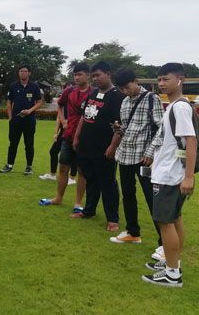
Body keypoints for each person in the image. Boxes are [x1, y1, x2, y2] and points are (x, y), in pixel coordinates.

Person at [142, 63, 197, 288]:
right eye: (160, 80)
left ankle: (172, 274)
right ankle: (172, 263)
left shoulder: (180, 108)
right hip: (168, 171)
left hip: (171, 175)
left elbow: (191, 141)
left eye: (166, 79)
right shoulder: (174, 105)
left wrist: (189, 176)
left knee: (165, 221)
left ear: (180, 80)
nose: (162, 83)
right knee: (174, 218)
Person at [111, 68, 164, 249]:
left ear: (135, 81)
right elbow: (126, 129)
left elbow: (161, 129)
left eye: (127, 87)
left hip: (143, 157)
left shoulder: (151, 98)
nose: (125, 91)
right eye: (121, 89)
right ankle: (133, 232)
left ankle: (164, 242)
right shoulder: (125, 102)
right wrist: (118, 129)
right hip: (125, 156)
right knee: (127, 196)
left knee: (152, 198)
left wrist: (151, 152)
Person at [71, 61, 124, 231]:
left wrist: (113, 147)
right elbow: (84, 116)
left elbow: (120, 125)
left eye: (98, 75)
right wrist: (77, 136)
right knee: (91, 180)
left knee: (107, 183)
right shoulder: (93, 93)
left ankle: (113, 220)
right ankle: (89, 211)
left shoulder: (117, 96)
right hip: (87, 146)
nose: (95, 79)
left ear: (108, 74)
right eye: (93, 76)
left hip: (104, 148)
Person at [39, 63, 93, 213]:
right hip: (68, 136)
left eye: (80, 74)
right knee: (63, 167)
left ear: (87, 76)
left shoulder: (93, 93)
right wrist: (62, 120)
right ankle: (58, 198)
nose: (76, 77)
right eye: (75, 75)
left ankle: (77, 203)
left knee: (82, 171)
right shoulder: (69, 91)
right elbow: (59, 106)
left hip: (85, 138)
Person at [0, 65, 43, 175]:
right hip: (16, 120)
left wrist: (30, 110)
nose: (22, 73)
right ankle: (9, 165)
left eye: (24, 71)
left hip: (29, 120)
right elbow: (9, 102)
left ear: (29, 73)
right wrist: (10, 117)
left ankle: (29, 166)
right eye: (20, 71)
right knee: (13, 143)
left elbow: (39, 102)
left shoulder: (34, 86)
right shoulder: (14, 86)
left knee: (29, 144)